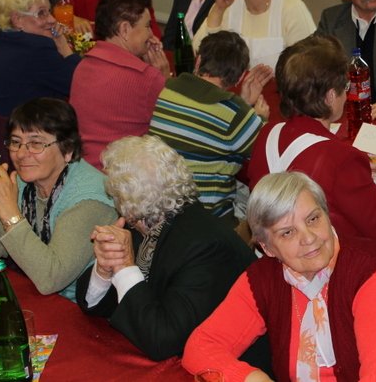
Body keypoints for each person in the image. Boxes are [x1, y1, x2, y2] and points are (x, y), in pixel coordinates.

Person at [182, 171, 376, 382]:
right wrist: (250, 378)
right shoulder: (264, 279)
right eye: (287, 232)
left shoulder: (373, 274)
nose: (309, 238)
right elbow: (200, 347)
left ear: (327, 215)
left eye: (313, 219)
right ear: (267, 248)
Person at [76, 135, 254, 361]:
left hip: (227, 366)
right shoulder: (145, 221)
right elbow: (95, 305)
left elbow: (163, 341)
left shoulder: (205, 246)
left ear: (125, 199)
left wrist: (124, 267)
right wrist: (104, 270)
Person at [246, 35, 376, 255]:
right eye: (345, 86)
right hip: (327, 265)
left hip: (273, 259)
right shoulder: (339, 158)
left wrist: (356, 170)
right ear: (330, 96)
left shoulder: (267, 133)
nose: (346, 95)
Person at [0, 98, 116, 301]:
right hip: (35, 293)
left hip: (81, 308)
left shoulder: (89, 199)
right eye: (16, 142)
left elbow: (51, 279)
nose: (21, 154)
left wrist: (9, 212)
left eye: (36, 143)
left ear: (67, 150)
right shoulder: (25, 182)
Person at [149, 31, 273, 216]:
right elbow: (265, 152)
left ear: (198, 60)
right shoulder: (234, 113)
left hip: (158, 206)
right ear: (240, 78)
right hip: (206, 216)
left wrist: (244, 105)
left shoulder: (168, 90)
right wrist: (261, 118)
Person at [69, 0, 170, 171]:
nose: (151, 35)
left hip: (82, 170)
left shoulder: (83, 66)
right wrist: (164, 78)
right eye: (147, 26)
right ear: (124, 29)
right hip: (123, 177)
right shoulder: (147, 78)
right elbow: (172, 129)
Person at [0, 0, 80, 116]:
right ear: (17, 20)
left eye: (49, 11)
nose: (52, 19)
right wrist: (63, 45)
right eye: (41, 13)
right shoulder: (37, 49)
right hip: (30, 127)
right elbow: (81, 83)